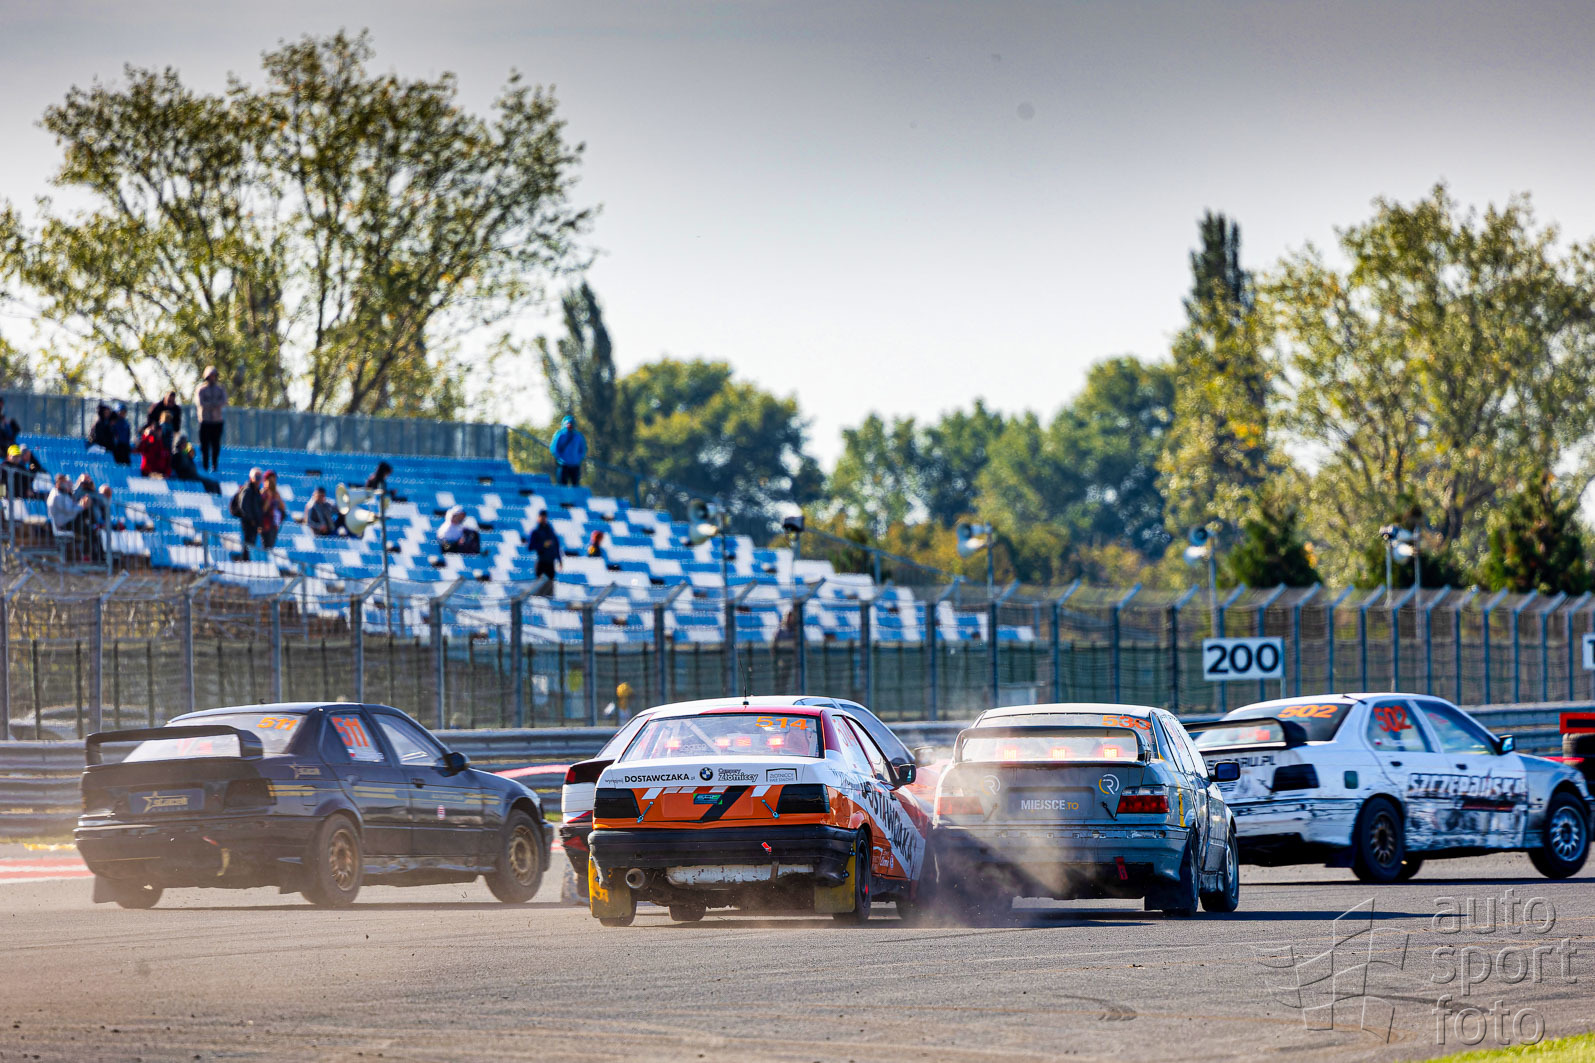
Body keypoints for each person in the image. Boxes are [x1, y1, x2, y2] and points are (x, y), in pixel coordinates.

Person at [47, 473, 92, 558]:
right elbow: (69, 510)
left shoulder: (62, 493)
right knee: (88, 530)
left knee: (88, 526)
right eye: (63, 482)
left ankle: (86, 554)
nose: (65, 484)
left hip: (68, 521)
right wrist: (82, 506)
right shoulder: (57, 495)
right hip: (63, 524)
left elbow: (71, 505)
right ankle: (86, 555)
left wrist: (81, 505)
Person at [195, 366, 226, 472]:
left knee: (216, 445)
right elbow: (200, 402)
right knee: (204, 446)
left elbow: (224, 401)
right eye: (210, 376)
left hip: (217, 421)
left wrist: (213, 404)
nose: (212, 378)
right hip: (205, 421)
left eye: (214, 376)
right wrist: (213, 405)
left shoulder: (220, 389)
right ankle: (205, 466)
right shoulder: (201, 389)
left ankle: (214, 465)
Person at [232, 468, 264, 559]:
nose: (258, 479)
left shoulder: (257, 491)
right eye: (256, 477)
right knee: (247, 542)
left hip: (253, 522)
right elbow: (243, 506)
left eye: (260, 477)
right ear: (251, 478)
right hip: (248, 522)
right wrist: (251, 519)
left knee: (251, 543)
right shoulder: (248, 489)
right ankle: (244, 559)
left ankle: (246, 559)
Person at [526, 509, 562, 589]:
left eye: (544, 517)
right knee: (540, 588)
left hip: (551, 564)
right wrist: (543, 545)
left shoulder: (551, 531)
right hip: (541, 563)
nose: (543, 519)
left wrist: (559, 560)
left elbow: (556, 546)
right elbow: (530, 547)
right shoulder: (535, 531)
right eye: (541, 517)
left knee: (550, 589)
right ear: (538, 518)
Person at [549, 415, 587, 486]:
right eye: (568, 424)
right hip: (563, 465)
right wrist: (560, 459)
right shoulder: (560, 435)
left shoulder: (578, 436)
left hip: (575, 465)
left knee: (576, 486)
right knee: (562, 486)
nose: (570, 426)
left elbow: (583, 450)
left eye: (571, 424)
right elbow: (554, 448)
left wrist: (577, 459)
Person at [260, 470, 287, 550]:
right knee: (266, 546)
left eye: (274, 480)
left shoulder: (276, 494)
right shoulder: (263, 493)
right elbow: (263, 510)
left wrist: (277, 496)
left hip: (274, 524)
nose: (272, 483)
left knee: (271, 546)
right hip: (265, 525)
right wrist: (269, 497)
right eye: (270, 480)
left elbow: (283, 508)